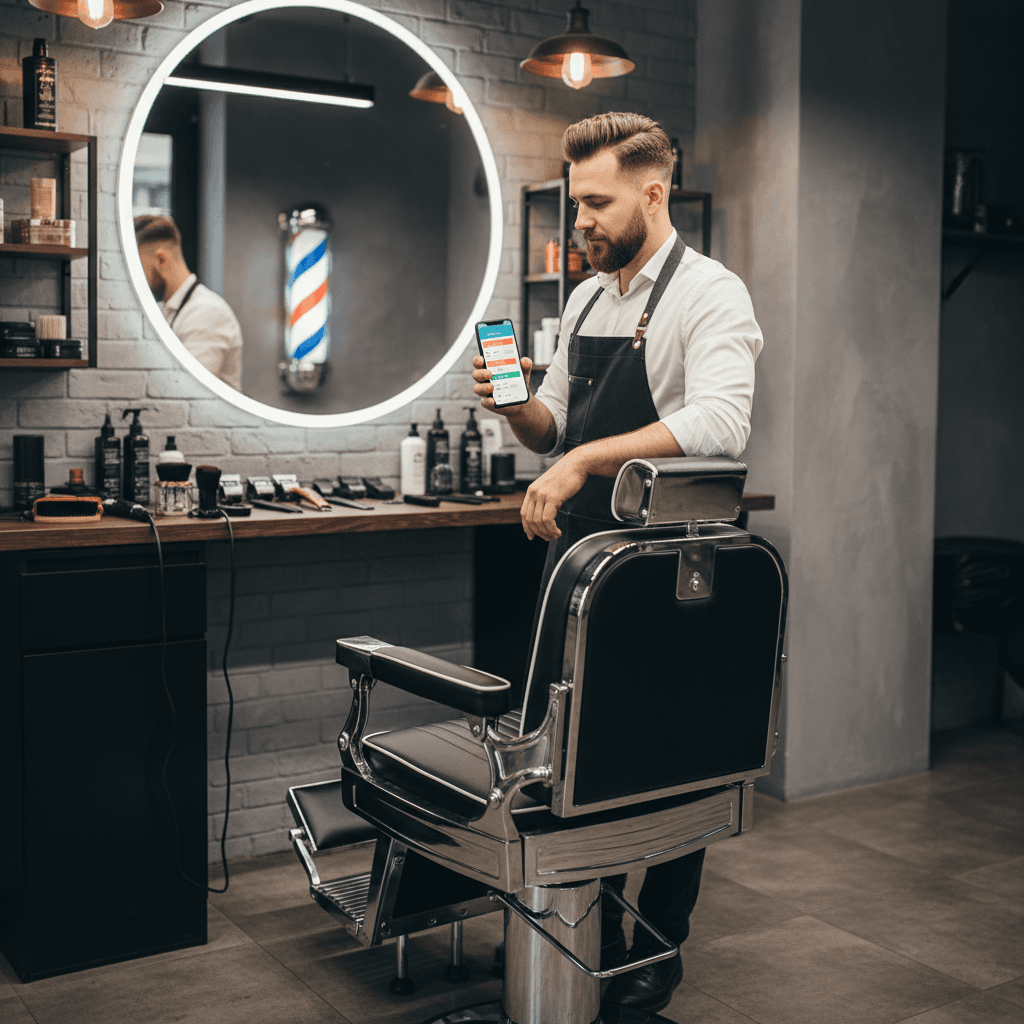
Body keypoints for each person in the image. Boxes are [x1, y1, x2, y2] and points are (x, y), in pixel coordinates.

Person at [472, 112, 763, 1014]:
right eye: (575, 204)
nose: (580, 222)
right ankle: (571, 932)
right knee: (568, 759)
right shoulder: (590, 299)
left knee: (670, 759)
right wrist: (517, 405)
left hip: (668, 570)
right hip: (583, 562)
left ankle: (652, 946)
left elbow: (721, 422)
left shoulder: (713, 295)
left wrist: (581, 461)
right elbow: (555, 424)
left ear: (653, 192)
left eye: (596, 203)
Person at [134, 214, 243, 391]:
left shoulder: (208, 312)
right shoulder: (165, 310)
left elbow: (186, 390)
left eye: (137, 267)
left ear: (161, 260)